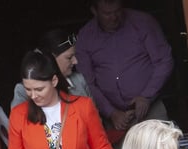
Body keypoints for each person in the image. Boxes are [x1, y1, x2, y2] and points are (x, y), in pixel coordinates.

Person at [75, 0, 174, 131]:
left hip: (150, 110)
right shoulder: (85, 36)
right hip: (112, 119)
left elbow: (164, 61)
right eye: (107, 13)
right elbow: (86, 82)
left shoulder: (143, 22)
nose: (114, 17)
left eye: (117, 11)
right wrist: (111, 112)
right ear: (94, 11)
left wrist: (147, 96)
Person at [10, 28, 92, 108]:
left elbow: (94, 116)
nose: (75, 61)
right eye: (69, 57)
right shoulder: (23, 91)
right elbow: (18, 120)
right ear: (51, 58)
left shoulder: (79, 80)